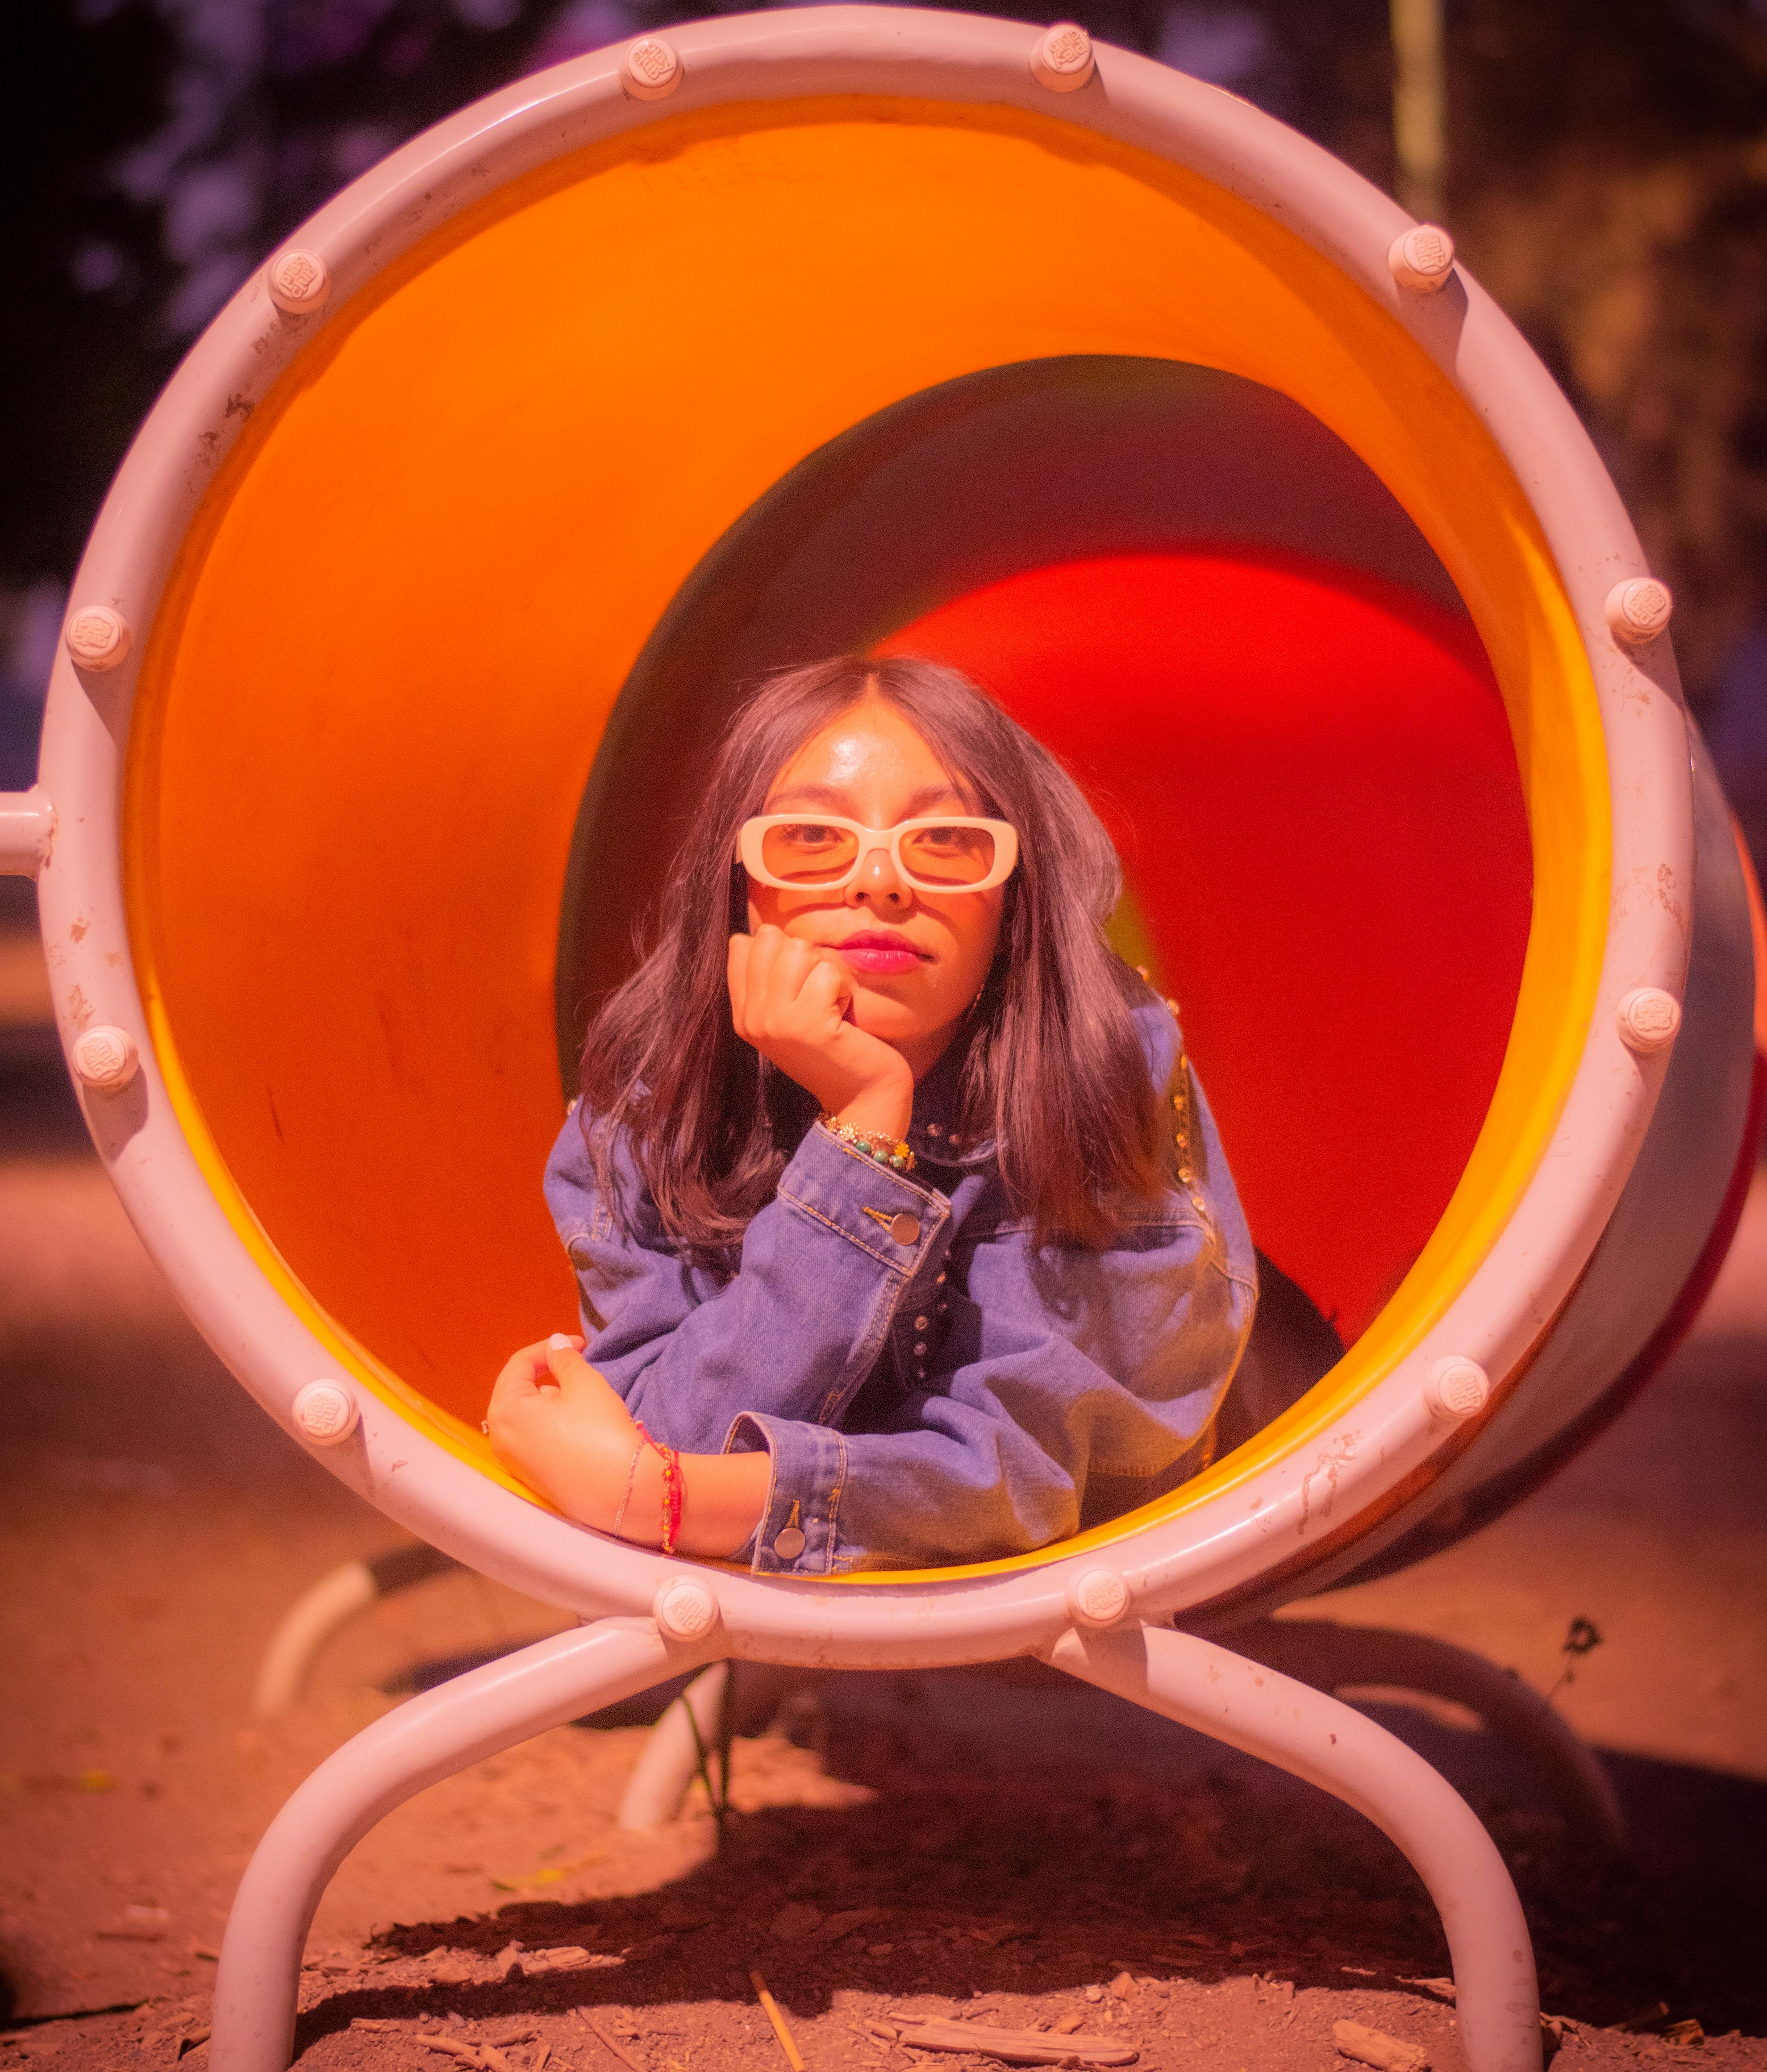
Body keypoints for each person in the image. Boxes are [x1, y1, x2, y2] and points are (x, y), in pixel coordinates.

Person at [485, 654, 1255, 1573]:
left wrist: (672, 1498)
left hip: (1234, 1502)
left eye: (944, 841)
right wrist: (862, 1127)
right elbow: (674, 1428)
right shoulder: (654, 1096)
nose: (881, 883)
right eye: (812, 838)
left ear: (1011, 898)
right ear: (739, 883)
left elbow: (1047, 1483)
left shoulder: (1099, 1062)